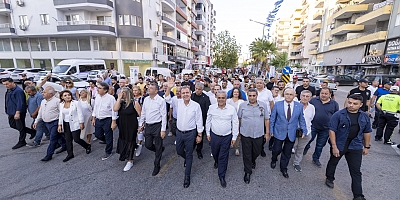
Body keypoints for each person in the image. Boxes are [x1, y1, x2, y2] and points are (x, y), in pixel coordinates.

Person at [325, 94, 372, 200]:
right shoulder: (339, 114)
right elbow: (332, 130)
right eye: (350, 102)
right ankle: (329, 178)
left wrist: (366, 146)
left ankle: (358, 195)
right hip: (340, 144)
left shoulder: (364, 116)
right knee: (333, 162)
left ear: (361, 105)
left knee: (356, 171)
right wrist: (334, 146)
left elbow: (367, 131)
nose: (351, 105)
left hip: (355, 145)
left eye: (355, 104)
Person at [165, 82, 203, 188]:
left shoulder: (196, 106)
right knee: (179, 151)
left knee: (190, 154)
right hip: (179, 133)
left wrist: (199, 135)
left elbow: (199, 121)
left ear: (190, 93)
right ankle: (186, 158)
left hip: (191, 133)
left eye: (187, 92)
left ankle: (187, 176)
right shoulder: (178, 102)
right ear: (181, 94)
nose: (185, 94)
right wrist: (169, 87)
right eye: (183, 93)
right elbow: (167, 98)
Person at [270, 88, 307, 178]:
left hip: (291, 133)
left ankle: (284, 168)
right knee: (276, 149)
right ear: (284, 94)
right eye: (287, 94)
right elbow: (273, 118)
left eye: (291, 94)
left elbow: (301, 119)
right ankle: (274, 159)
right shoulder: (278, 104)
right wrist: (271, 130)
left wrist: (304, 130)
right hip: (279, 132)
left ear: (294, 96)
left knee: (287, 152)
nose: (288, 96)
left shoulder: (299, 106)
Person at [206, 91, 239, 188]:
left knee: (223, 156)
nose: (221, 99)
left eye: (223, 98)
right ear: (216, 98)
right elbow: (208, 121)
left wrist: (234, 137)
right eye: (219, 97)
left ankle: (222, 175)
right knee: (215, 153)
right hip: (214, 136)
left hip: (226, 136)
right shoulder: (211, 108)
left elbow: (235, 123)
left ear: (226, 98)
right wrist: (207, 133)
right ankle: (216, 161)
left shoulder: (231, 109)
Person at [238, 88, 270, 184]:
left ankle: (253, 160)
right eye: (250, 96)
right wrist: (238, 131)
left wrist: (267, 133)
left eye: (254, 95)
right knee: (246, 153)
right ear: (247, 96)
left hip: (259, 133)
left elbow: (267, 120)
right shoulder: (242, 106)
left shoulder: (263, 106)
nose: (252, 97)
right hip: (245, 133)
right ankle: (247, 172)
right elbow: (239, 119)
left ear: (257, 96)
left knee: (256, 151)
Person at [304, 88, 339, 167]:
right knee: (308, 140)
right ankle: (305, 148)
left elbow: (336, 117)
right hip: (312, 126)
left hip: (326, 129)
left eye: (326, 93)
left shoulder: (334, 104)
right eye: (322, 93)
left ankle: (316, 158)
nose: (323, 95)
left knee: (320, 145)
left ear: (330, 94)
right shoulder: (313, 101)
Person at [138, 82, 167, 176]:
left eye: (151, 88)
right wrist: (141, 124)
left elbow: (164, 115)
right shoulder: (146, 100)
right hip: (148, 126)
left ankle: (156, 165)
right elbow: (143, 113)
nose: (148, 89)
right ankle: (159, 150)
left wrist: (163, 129)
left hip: (157, 126)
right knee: (148, 145)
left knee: (158, 145)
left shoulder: (161, 100)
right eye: (148, 88)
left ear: (156, 91)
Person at [33, 86, 67, 161]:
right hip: (47, 123)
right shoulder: (43, 101)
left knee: (53, 138)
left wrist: (60, 124)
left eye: (45, 92)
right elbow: (40, 113)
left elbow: (61, 113)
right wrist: (36, 121)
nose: (42, 93)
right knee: (57, 136)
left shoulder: (57, 101)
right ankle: (65, 145)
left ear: (51, 94)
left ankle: (49, 154)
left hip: (55, 122)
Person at [58, 90, 91, 162]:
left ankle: (87, 146)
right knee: (68, 140)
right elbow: (61, 115)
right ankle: (70, 154)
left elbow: (80, 113)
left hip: (75, 123)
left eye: (69, 95)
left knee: (76, 139)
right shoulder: (61, 104)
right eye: (65, 95)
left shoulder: (76, 103)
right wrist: (59, 124)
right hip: (66, 124)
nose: (67, 96)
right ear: (62, 97)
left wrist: (81, 123)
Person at [2, 78, 36, 149]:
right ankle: (32, 132)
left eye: (7, 84)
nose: (6, 86)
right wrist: (7, 111)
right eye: (4, 84)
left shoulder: (18, 91)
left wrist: (17, 112)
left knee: (20, 127)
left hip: (18, 112)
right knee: (12, 125)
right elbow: (7, 100)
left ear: (12, 82)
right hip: (11, 112)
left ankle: (22, 141)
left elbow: (20, 103)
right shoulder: (9, 90)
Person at [113, 87, 141, 171]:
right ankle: (136, 146)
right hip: (122, 124)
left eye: (123, 93)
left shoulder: (134, 103)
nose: (121, 94)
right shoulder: (120, 102)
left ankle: (130, 160)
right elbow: (115, 109)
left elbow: (140, 114)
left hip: (131, 125)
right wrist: (118, 98)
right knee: (124, 139)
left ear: (127, 93)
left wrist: (141, 126)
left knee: (130, 141)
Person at [92, 82, 118, 161]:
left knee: (108, 135)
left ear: (105, 90)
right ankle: (107, 141)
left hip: (107, 119)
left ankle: (108, 151)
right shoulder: (97, 97)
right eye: (98, 88)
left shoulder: (111, 98)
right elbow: (95, 108)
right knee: (98, 134)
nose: (97, 90)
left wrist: (114, 122)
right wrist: (93, 118)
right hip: (99, 119)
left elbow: (114, 110)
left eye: (99, 88)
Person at [292, 90, 315, 172]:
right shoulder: (294, 105)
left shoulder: (312, 107)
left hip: (306, 132)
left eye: (307, 96)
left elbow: (311, 118)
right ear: (300, 96)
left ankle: (296, 162)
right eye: (303, 96)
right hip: (294, 131)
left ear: (310, 98)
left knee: (301, 148)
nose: (305, 98)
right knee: (292, 146)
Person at [191, 82, 211, 159]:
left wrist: (206, 122)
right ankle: (191, 148)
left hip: (201, 120)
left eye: (199, 89)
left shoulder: (205, 98)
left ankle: (199, 150)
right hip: (192, 120)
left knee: (200, 136)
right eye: (196, 89)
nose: (197, 90)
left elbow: (207, 110)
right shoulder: (192, 96)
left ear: (202, 90)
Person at [255, 78, 274, 156]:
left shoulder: (268, 92)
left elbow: (271, 103)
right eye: (257, 83)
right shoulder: (253, 91)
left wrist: (269, 113)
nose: (259, 84)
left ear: (263, 84)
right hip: (255, 116)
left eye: (260, 83)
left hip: (265, 116)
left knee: (264, 133)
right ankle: (256, 147)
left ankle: (261, 148)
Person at [227, 87, 245, 156]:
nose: (236, 93)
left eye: (237, 92)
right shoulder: (228, 101)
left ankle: (237, 148)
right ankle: (230, 143)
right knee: (228, 132)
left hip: (237, 119)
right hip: (228, 119)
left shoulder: (241, 101)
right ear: (232, 93)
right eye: (234, 92)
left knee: (237, 133)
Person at [132, 86, 145, 156]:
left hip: (140, 116)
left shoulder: (142, 99)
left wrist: (142, 118)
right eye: (133, 90)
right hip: (133, 117)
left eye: (136, 90)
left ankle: (139, 145)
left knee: (140, 131)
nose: (135, 92)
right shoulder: (131, 99)